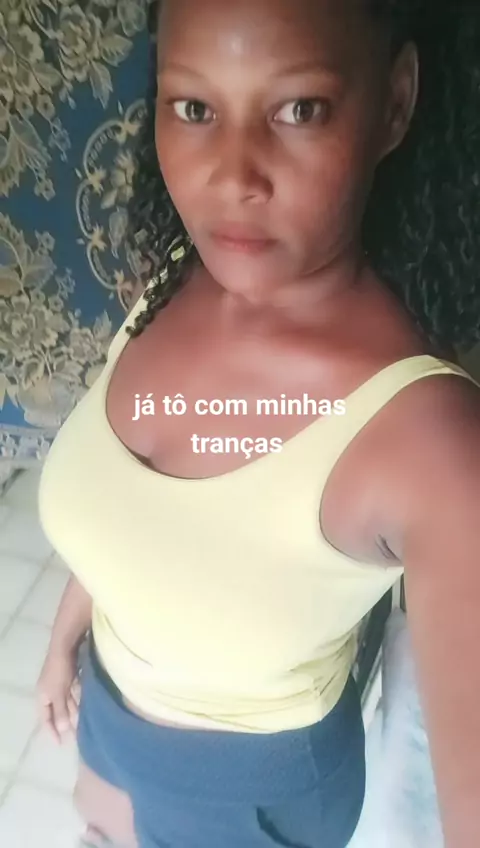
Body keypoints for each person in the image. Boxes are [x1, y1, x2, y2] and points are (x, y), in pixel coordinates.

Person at [36, 1, 480, 846]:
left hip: (249, 798)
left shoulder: (434, 447)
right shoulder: (175, 275)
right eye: (194, 107)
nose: (233, 176)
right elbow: (135, 519)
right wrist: (68, 641)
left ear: (395, 102)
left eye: (299, 109)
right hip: (109, 712)